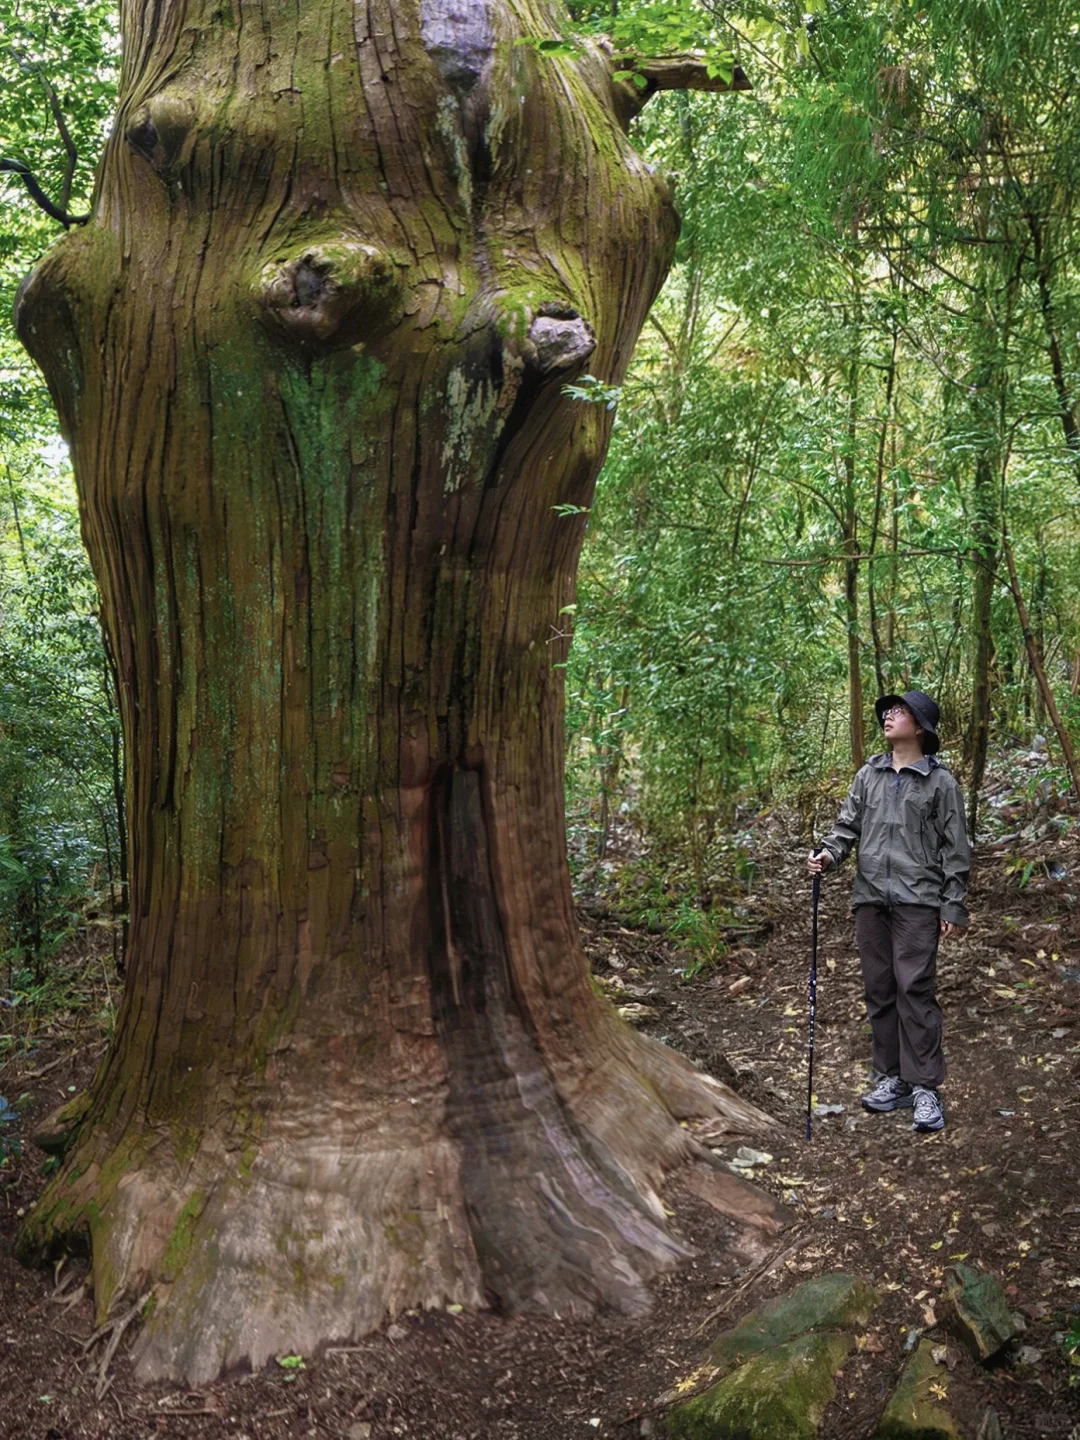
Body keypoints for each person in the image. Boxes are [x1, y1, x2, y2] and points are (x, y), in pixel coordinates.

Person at [807, 690, 971, 1133]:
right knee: (879, 990)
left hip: (919, 901)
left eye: (900, 712)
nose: (889, 717)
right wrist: (827, 855)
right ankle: (892, 1078)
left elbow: (957, 849)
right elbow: (846, 829)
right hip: (871, 899)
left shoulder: (942, 784)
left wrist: (953, 903)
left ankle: (925, 1088)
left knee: (913, 988)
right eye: (887, 712)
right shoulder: (869, 775)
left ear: (920, 727)